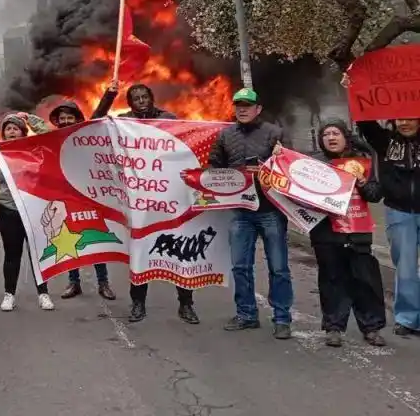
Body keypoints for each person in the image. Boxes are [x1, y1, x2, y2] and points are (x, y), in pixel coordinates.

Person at [207, 88, 292, 339]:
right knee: (240, 267)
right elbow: (215, 166)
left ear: (258, 109)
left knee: (279, 268)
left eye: (247, 105)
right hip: (240, 212)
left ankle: (282, 319)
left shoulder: (274, 133)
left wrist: (277, 159)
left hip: (271, 211)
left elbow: (290, 168)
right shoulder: (225, 135)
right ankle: (246, 314)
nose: (242, 109)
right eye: (238, 105)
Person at [117, 85, 198, 324]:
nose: (141, 101)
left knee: (180, 253)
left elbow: (185, 147)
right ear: (130, 103)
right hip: (139, 200)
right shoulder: (123, 123)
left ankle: (186, 304)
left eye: (145, 97)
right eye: (136, 99)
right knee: (140, 253)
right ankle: (138, 304)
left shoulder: (169, 119)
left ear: (152, 98)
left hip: (169, 196)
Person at [308, 119, 386, 347]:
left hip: (358, 231)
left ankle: (371, 328)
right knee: (332, 280)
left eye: (336, 133)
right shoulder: (313, 164)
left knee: (365, 281)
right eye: (326, 135)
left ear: (345, 136)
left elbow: (375, 195)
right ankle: (334, 327)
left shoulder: (363, 160)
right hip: (326, 232)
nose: (331, 138)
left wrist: (362, 180)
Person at [51, 81, 119, 301]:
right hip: (65, 196)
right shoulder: (51, 140)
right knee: (69, 238)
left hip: (90, 194)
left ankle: (103, 282)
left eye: (70, 117)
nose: (66, 121)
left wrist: (109, 94)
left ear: (77, 119)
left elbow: (99, 114)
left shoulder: (86, 132)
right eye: (62, 118)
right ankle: (74, 282)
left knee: (96, 235)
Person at [356, 116, 420, 336]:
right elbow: (364, 120)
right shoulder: (385, 141)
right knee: (406, 267)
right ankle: (407, 319)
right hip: (399, 211)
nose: (405, 123)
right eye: (400, 119)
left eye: (410, 118)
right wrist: (353, 86)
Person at [0, 112, 55, 312]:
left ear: (23, 132)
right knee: (11, 253)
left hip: (32, 207)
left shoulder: (33, 150)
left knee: (37, 251)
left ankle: (43, 293)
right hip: (8, 209)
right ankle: (10, 294)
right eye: (8, 129)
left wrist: (29, 118)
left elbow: (49, 136)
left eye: (15, 128)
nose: (11, 131)